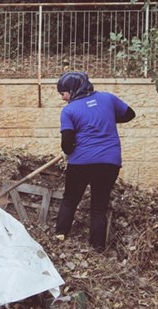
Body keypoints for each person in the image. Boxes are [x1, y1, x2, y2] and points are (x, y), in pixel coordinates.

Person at [55, 71, 135, 252]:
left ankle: (60, 236)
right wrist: (105, 118)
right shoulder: (108, 99)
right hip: (109, 162)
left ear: (73, 90)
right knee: (99, 206)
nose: (62, 98)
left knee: (70, 199)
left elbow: (67, 146)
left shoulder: (69, 110)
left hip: (81, 162)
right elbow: (130, 114)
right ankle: (97, 247)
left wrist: (71, 146)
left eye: (63, 93)